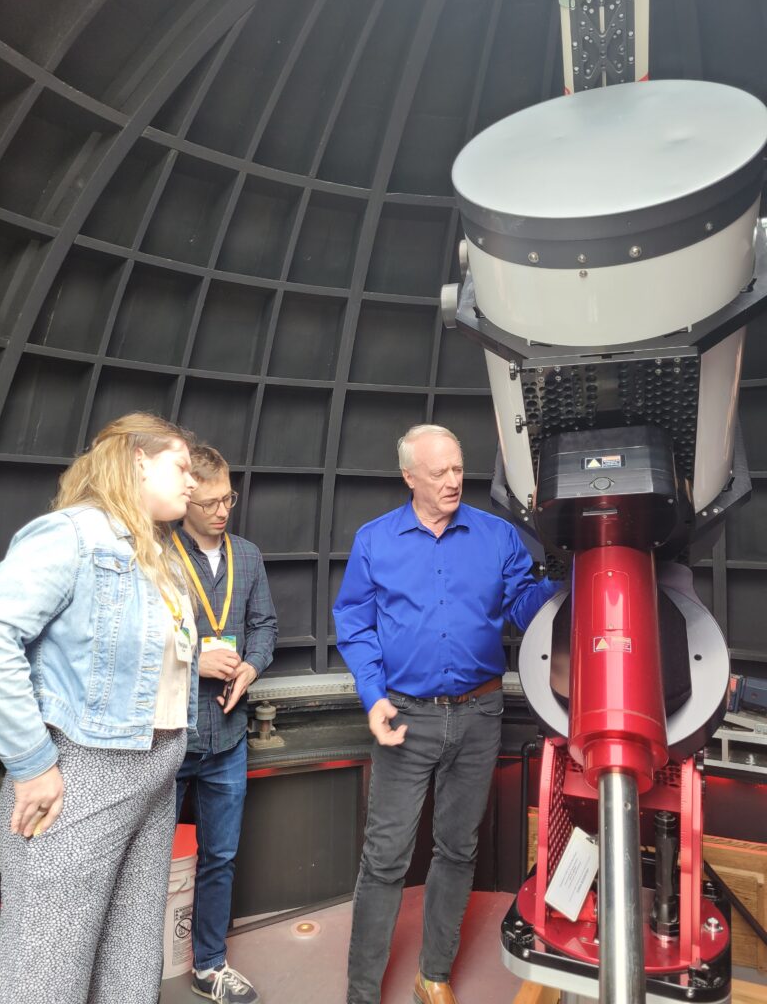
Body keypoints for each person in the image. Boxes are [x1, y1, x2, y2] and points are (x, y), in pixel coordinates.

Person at [333, 424, 561, 1004]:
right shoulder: (374, 541)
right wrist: (372, 694)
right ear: (409, 477)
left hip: (480, 713)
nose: (454, 481)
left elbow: (528, 608)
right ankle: (362, 992)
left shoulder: (496, 536)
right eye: (440, 473)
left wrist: (572, 570)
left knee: (458, 850)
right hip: (405, 716)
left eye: (459, 469)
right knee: (385, 859)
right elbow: (354, 623)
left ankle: (432, 974)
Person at [0, 412, 199, 1004]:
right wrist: (32, 763)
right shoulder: (71, 535)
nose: (192, 481)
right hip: (85, 769)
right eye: (181, 466)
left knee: (132, 953)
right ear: (138, 459)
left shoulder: (157, 551)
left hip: (157, 767)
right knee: (49, 962)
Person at [173, 444, 277, 1004]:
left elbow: (264, 625)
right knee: (144, 863)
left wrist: (250, 669)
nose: (222, 512)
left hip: (228, 737)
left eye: (228, 500)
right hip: (168, 741)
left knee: (221, 856)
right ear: (185, 497)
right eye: (211, 502)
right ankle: (131, 970)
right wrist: (195, 663)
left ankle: (209, 965)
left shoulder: (248, 555)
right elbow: (136, 642)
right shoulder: (159, 554)